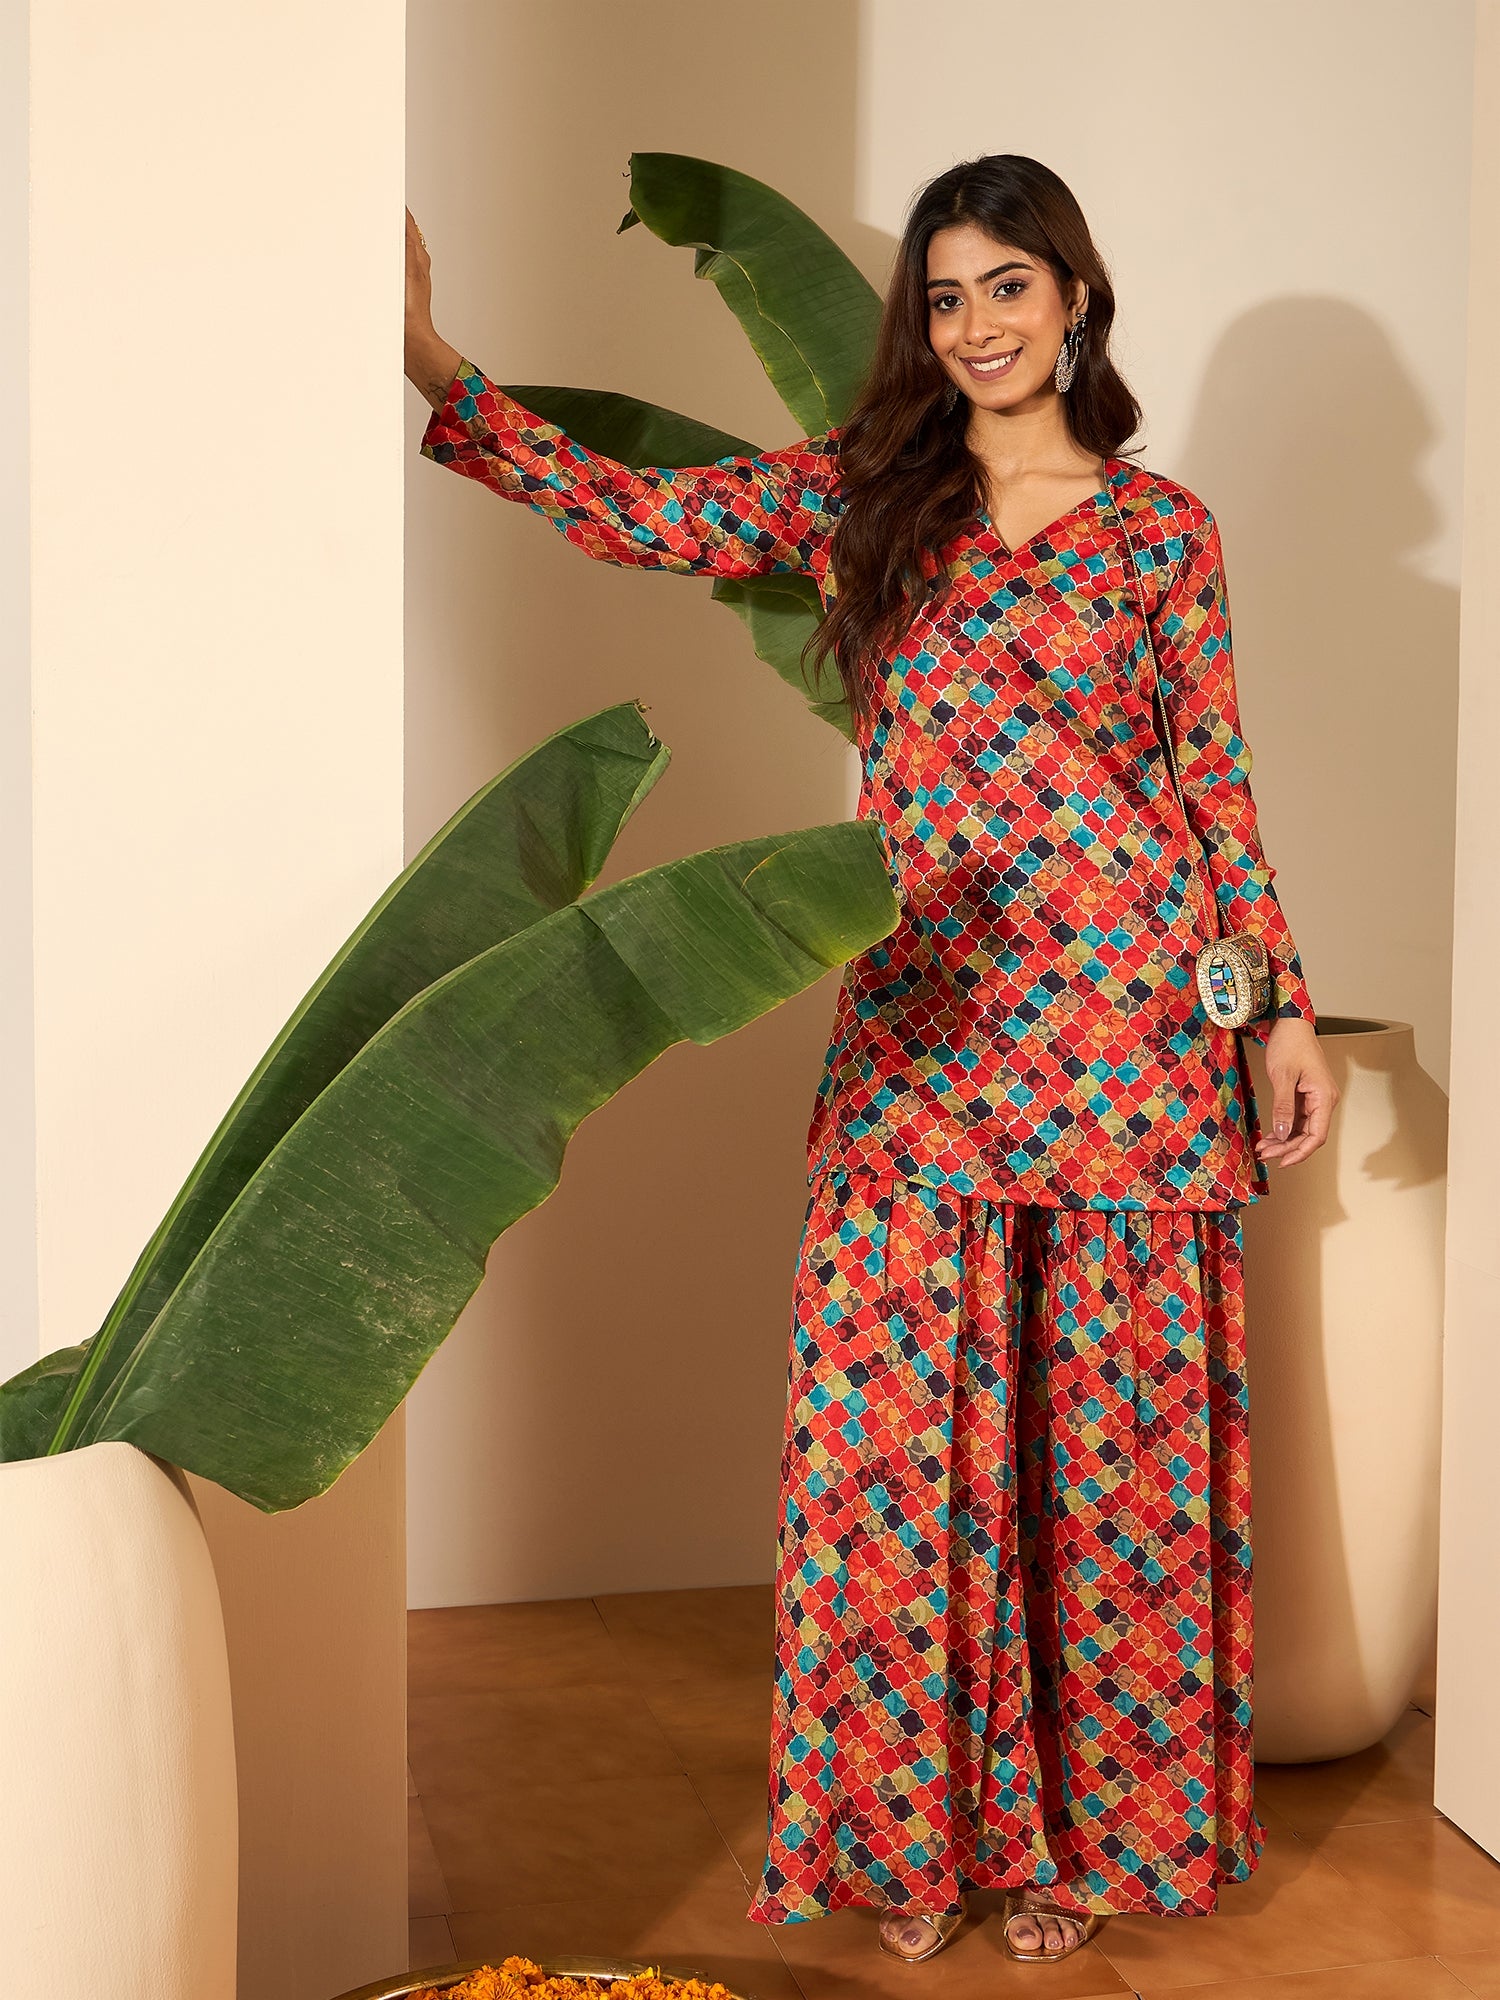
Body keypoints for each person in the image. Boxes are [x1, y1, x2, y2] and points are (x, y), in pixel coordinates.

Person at [405, 152, 1339, 1969]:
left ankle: (1090, 1841)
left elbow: (1213, 792)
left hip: (1136, 1044)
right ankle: (907, 1832)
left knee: (1112, 1465)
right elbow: (637, 513)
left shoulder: (1165, 533)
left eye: (1010, 286)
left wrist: (1279, 1012)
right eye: (947, 295)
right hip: (929, 1029)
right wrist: (438, 365)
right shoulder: (865, 497)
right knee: (892, 1452)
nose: (977, 325)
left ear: (1076, 296)